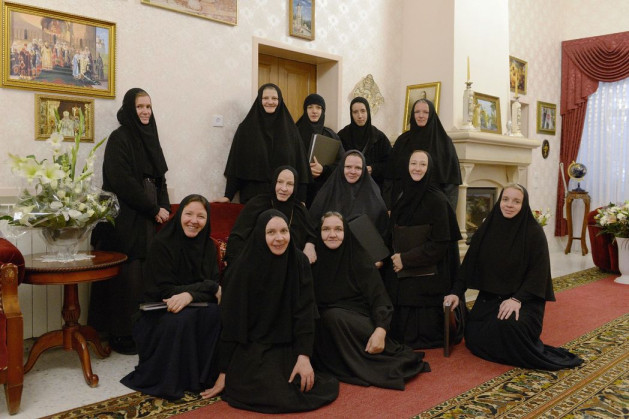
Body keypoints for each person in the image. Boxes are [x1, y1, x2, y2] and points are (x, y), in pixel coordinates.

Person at [201, 209, 339, 413]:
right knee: (261, 391)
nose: (279, 238)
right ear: (260, 234)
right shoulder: (243, 267)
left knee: (293, 391)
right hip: (253, 345)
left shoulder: (299, 262)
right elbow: (232, 322)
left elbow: (305, 312)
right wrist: (224, 371)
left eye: (284, 231)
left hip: (289, 345)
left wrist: (304, 356)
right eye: (271, 232)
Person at [443, 184, 584, 370]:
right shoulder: (487, 229)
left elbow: (538, 274)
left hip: (525, 300)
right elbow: (468, 266)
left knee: (508, 327)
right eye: (505, 199)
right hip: (491, 298)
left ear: (524, 205)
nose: (509, 205)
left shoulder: (534, 232)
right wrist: (455, 292)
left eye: (516, 201)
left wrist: (517, 299)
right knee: (474, 333)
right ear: (499, 201)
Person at [89, 88, 171, 355]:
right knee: (128, 278)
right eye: (140, 107)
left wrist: (165, 207)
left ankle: (142, 332)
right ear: (129, 109)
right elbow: (121, 181)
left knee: (146, 277)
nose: (145, 111)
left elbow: (160, 178)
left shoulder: (151, 136)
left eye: (148, 106)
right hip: (126, 218)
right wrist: (153, 208)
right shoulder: (119, 138)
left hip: (148, 217)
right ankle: (121, 334)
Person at [312, 212, 429, 389]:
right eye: (326, 229)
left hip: (361, 323)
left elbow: (380, 298)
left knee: (332, 316)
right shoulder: (313, 262)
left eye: (338, 229)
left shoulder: (359, 259)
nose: (332, 234)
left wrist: (380, 331)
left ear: (346, 232)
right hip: (329, 332)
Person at [120, 195, 222, 399]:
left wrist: (189, 295)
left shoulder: (209, 247)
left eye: (201, 216)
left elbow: (215, 288)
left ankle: (205, 378)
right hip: (157, 311)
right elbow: (165, 292)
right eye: (189, 214)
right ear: (180, 215)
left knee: (217, 314)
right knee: (181, 319)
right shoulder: (162, 244)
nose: (194, 221)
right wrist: (206, 288)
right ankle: (179, 380)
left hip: (195, 304)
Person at [387, 150, 463, 349]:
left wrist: (405, 259)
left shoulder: (438, 201)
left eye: (422, 164)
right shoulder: (402, 195)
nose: (417, 168)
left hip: (430, 270)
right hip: (403, 267)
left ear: (429, 169)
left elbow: (440, 245)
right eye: (413, 163)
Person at [218, 83, 311, 204]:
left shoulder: (291, 131)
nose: (270, 102)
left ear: (280, 101)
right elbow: (236, 164)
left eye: (274, 98)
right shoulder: (245, 129)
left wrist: (302, 200)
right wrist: (228, 196)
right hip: (253, 198)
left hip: (284, 199)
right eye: (265, 98)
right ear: (259, 100)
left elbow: (301, 167)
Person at [224, 166, 318, 266]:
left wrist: (310, 245)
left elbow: (311, 234)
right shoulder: (257, 204)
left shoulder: (300, 209)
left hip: (289, 265)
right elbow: (237, 237)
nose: (284, 188)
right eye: (280, 182)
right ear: (274, 182)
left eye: (290, 184)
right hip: (257, 262)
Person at [384, 99, 461, 210]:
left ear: (432, 114)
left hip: (433, 206)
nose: (421, 115)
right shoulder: (402, 141)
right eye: (417, 112)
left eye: (425, 112)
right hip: (403, 204)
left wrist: (448, 212)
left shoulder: (444, 143)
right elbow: (389, 176)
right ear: (412, 114)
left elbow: (451, 183)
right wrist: (388, 206)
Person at [309, 150, 389, 241]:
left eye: (358, 168)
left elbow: (382, 233)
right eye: (348, 167)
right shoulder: (327, 193)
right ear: (341, 168)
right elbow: (312, 225)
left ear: (364, 170)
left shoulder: (374, 198)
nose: (353, 171)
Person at [295, 93, 345, 207]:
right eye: (310, 107)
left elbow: (342, 164)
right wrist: (306, 169)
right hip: (298, 190)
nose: (314, 111)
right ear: (305, 110)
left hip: (324, 193)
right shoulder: (294, 133)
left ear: (323, 111)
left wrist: (323, 169)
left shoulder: (331, 136)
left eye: (318, 107)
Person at [337, 97, 391, 188]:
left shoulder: (379, 137)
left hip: (372, 187)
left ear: (368, 112)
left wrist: (373, 169)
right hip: (346, 186)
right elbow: (336, 162)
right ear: (351, 114)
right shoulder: (342, 135)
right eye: (355, 112)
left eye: (363, 111)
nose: (360, 116)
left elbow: (389, 163)